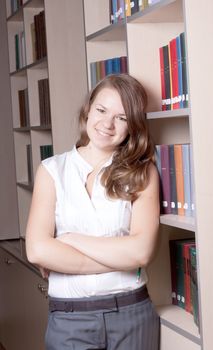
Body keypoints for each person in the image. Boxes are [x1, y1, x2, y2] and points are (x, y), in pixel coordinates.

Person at [26, 73, 160, 350]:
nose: (107, 124)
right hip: (69, 318)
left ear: (133, 125)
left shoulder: (142, 171)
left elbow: (141, 252)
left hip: (132, 314)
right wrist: (122, 259)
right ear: (88, 109)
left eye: (122, 118)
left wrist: (68, 240)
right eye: (101, 110)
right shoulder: (51, 170)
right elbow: (38, 251)